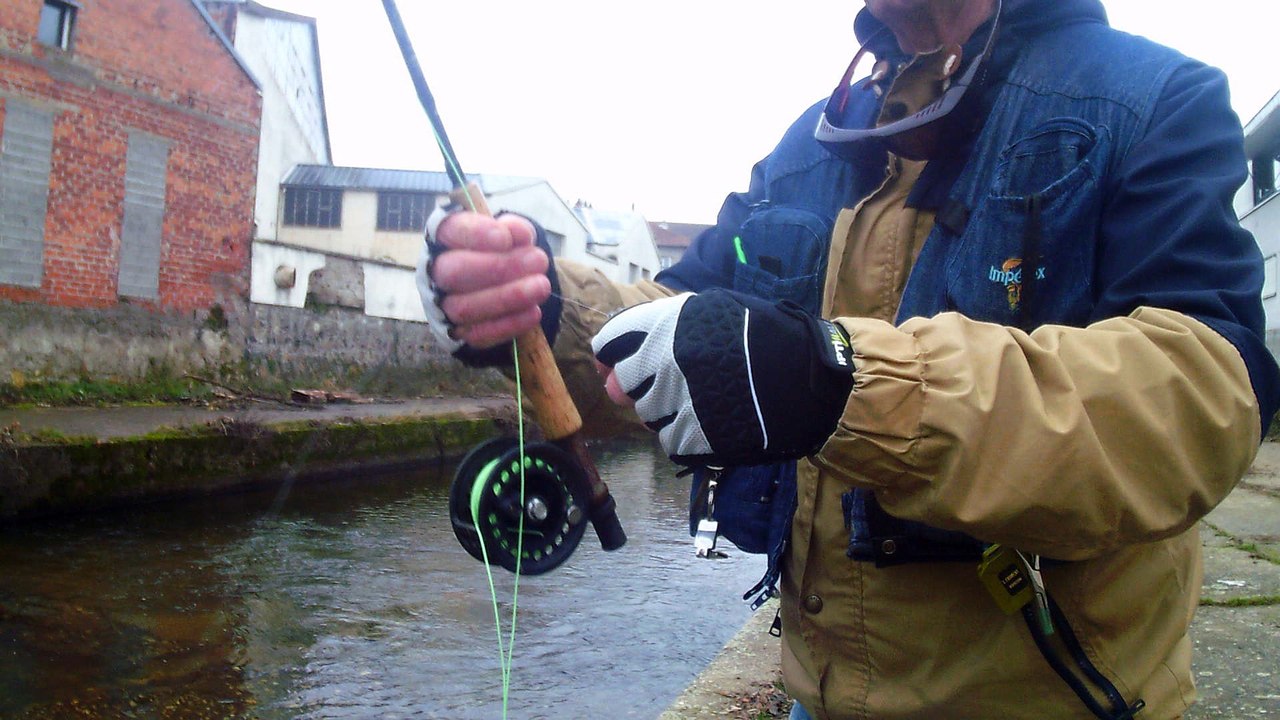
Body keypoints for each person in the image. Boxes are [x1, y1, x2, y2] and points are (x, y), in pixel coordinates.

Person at [418, 0, 1280, 717]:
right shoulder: (813, 139)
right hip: (812, 696)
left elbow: (1203, 399)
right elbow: (675, 320)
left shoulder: (1159, 96)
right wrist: (547, 305)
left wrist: (835, 381)